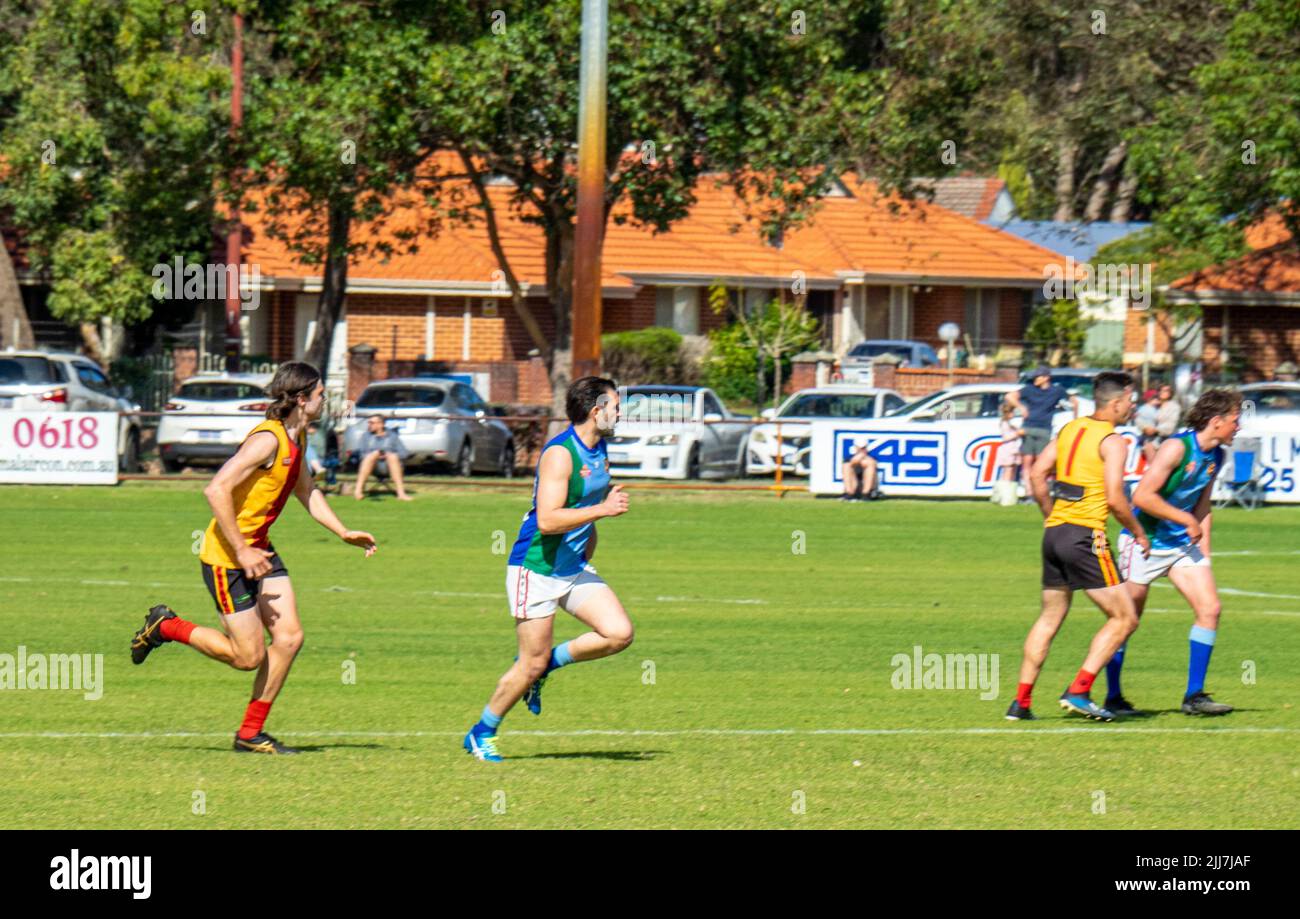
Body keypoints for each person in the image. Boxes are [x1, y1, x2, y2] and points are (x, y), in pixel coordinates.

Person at [129, 361, 377, 754]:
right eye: (320, 393)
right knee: (248, 656)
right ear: (300, 398)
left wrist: (343, 531)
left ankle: (250, 733)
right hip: (227, 557)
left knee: (290, 637)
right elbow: (216, 489)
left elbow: (306, 490)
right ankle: (166, 626)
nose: (325, 398)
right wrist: (241, 549)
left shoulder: (299, 437)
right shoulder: (267, 440)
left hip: (260, 550)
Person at [463, 377, 633, 763]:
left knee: (619, 633)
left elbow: (586, 500)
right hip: (536, 568)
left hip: (572, 566)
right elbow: (548, 520)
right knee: (529, 662)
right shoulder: (560, 454)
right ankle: (481, 731)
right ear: (597, 410)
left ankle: (548, 666)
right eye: (616, 405)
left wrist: (591, 535)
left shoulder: (600, 447)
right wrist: (603, 510)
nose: (620, 412)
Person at [1005, 371, 1149, 722]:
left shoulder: (1069, 429)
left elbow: (1037, 474)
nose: (1132, 407)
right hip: (1086, 536)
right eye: (1130, 401)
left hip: (1055, 534)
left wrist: (1050, 516)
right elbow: (1116, 499)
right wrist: (1139, 532)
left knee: (1050, 617)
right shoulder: (1114, 442)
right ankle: (1080, 689)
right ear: (1115, 403)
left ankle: (1020, 703)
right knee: (1125, 617)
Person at [1107, 389, 1242, 717]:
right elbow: (1141, 497)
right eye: (1235, 421)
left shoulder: (1217, 455)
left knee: (1210, 608)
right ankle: (1113, 697)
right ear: (1216, 421)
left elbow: (1203, 504)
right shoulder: (1176, 448)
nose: (1238, 428)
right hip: (1144, 542)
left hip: (1182, 546)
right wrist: (1184, 519)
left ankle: (1194, 696)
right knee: (1127, 621)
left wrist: (1204, 552)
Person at [1007, 367, 1080, 493]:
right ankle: (1029, 492)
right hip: (1028, 428)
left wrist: (1075, 419)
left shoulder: (1056, 390)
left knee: (1041, 464)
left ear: (1046, 377)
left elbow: (1075, 402)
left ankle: (1039, 491)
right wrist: (1021, 407)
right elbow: (1010, 396)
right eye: (1035, 377)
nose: (1036, 379)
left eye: (1038, 377)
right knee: (1027, 463)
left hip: (1043, 429)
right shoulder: (1029, 389)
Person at [353, 414, 412, 501]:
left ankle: (401, 493)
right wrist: (375, 455)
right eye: (368, 423)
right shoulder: (365, 436)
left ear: (381, 424)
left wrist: (388, 455)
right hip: (372, 466)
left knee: (393, 457)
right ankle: (358, 491)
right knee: (371, 456)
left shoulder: (392, 436)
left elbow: (404, 453)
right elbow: (361, 454)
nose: (369, 425)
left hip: (390, 466)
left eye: (372, 423)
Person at [991, 399, 1023, 506]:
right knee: (1007, 472)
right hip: (1008, 449)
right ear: (1008, 413)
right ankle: (1004, 496)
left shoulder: (1010, 424)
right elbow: (1006, 437)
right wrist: (1017, 433)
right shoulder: (1004, 424)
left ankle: (1010, 496)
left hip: (1014, 449)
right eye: (1012, 412)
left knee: (1013, 472)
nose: (1013, 414)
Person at [1134, 389, 1162, 464]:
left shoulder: (1155, 409)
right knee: (1152, 461)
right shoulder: (1145, 409)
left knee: (1155, 459)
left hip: (1154, 438)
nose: (1158, 400)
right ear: (1149, 399)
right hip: (1148, 439)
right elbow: (1157, 418)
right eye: (1156, 398)